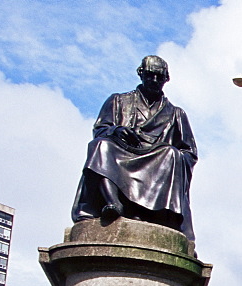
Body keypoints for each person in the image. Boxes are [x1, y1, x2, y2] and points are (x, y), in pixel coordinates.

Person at [72, 55, 198, 240]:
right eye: (150, 75)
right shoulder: (118, 101)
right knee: (100, 145)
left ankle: (154, 211)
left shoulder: (176, 114)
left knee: (172, 154)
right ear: (141, 74)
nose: (154, 80)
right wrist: (117, 131)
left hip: (157, 159)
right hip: (122, 151)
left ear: (166, 79)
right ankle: (112, 202)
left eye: (159, 76)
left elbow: (189, 153)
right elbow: (100, 130)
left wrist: (171, 154)